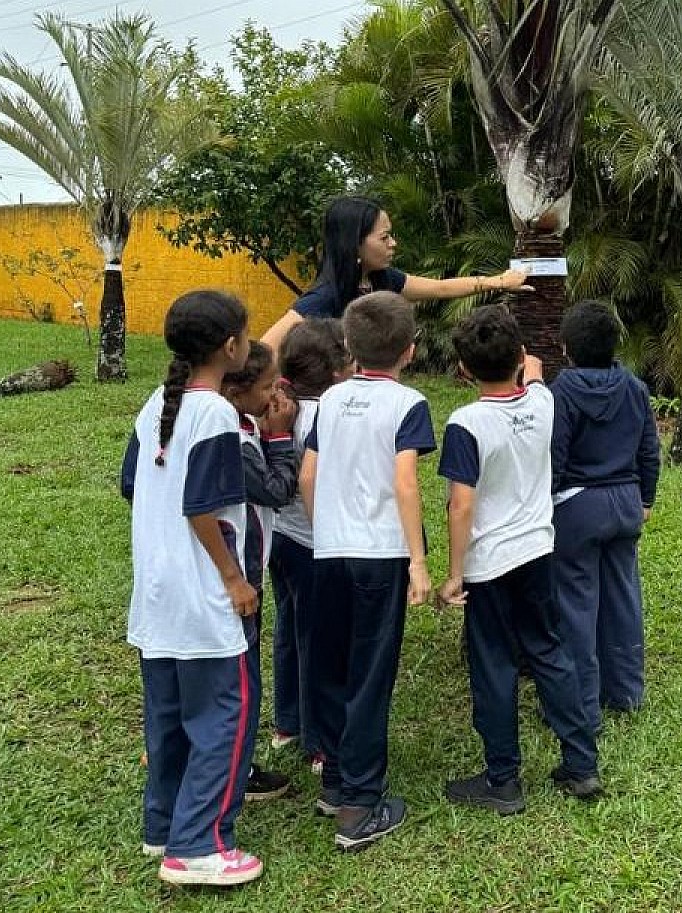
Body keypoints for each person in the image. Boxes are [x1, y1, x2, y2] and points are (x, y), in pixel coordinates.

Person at [120, 290, 263, 887]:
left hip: (156, 594)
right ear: (231, 347)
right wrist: (233, 579)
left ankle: (163, 826)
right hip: (205, 597)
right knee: (223, 719)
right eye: (247, 334)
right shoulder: (215, 414)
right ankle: (200, 845)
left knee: (170, 717)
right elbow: (202, 505)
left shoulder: (156, 403)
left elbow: (132, 485)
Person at [437, 304, 601, 816]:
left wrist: (453, 574)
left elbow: (461, 504)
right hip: (538, 550)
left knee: (494, 666)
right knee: (549, 651)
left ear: (463, 371)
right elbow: (533, 377)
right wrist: (527, 365)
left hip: (489, 563)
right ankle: (580, 765)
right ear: (521, 357)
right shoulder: (543, 403)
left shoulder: (465, 423)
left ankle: (502, 779)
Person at [299, 292, 435, 851]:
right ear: (410, 350)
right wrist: (419, 562)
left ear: (349, 347)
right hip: (381, 557)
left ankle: (334, 782)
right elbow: (405, 482)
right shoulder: (409, 404)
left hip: (327, 553)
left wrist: (328, 526)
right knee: (371, 676)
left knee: (331, 667)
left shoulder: (328, 402)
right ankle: (358, 806)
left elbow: (307, 477)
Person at [549, 300, 660, 733]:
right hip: (626, 501)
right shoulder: (635, 388)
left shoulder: (562, 391)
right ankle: (627, 690)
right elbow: (649, 449)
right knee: (623, 596)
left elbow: (554, 456)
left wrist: (549, 502)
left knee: (576, 603)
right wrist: (645, 498)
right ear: (616, 345)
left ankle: (580, 705)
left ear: (565, 348)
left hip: (578, 506)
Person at [261, 196, 531, 351]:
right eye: (384, 237)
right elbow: (267, 348)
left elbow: (440, 289)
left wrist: (500, 281)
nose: (393, 244)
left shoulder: (384, 279)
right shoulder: (323, 298)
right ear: (354, 244)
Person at [269, 319, 353, 768]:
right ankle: (319, 740)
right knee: (317, 640)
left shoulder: (278, 406)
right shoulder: (330, 414)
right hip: (314, 541)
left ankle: (288, 721)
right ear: (339, 368)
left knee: (290, 627)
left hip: (281, 537)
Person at [221, 340, 299, 801]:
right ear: (235, 389)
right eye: (269, 385)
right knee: (240, 679)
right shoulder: (232, 436)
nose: (275, 395)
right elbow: (274, 490)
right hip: (237, 572)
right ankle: (235, 774)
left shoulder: (233, 420)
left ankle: (236, 764)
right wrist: (280, 437)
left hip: (236, 566)